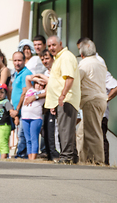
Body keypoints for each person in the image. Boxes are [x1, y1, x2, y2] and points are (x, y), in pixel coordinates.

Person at [77, 38, 117, 166]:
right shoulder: (100, 63)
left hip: (91, 100)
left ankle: (97, 161)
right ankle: (85, 160)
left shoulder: (84, 64)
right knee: (85, 132)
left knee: (93, 132)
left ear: (82, 54)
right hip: (101, 100)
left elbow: (76, 80)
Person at [45, 36, 81, 165]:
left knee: (65, 129)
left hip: (67, 99)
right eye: (49, 46)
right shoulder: (59, 58)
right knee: (65, 128)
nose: (51, 48)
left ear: (60, 43)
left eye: (54, 45)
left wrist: (63, 95)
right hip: (61, 99)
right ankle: (72, 156)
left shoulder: (66, 56)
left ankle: (66, 156)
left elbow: (69, 78)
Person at [33, 49, 60, 161]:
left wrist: (39, 76)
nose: (44, 61)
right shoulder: (46, 73)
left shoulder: (56, 70)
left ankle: (56, 155)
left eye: (47, 58)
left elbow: (52, 84)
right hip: (47, 106)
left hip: (56, 105)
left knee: (54, 132)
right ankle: (50, 155)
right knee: (47, 132)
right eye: (42, 59)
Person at [10, 51, 32, 159]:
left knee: (23, 133)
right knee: (20, 133)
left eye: (19, 60)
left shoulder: (26, 73)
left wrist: (17, 109)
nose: (17, 63)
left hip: (25, 109)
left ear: (24, 61)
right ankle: (21, 153)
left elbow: (24, 92)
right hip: (18, 111)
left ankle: (22, 154)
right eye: (15, 60)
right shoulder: (16, 74)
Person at [21, 75, 46, 160]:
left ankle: (33, 157)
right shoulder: (30, 89)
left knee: (34, 137)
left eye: (41, 84)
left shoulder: (43, 92)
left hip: (36, 118)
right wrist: (37, 78)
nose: (38, 86)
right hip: (25, 117)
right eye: (37, 84)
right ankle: (29, 156)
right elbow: (27, 78)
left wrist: (44, 80)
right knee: (28, 139)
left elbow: (49, 86)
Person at [0, 84, 15, 159]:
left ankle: (3, 159)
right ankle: (2, 157)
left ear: (5, 93)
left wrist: (15, 115)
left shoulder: (6, 102)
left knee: (3, 142)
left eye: (1, 92)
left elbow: (11, 111)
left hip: (4, 125)